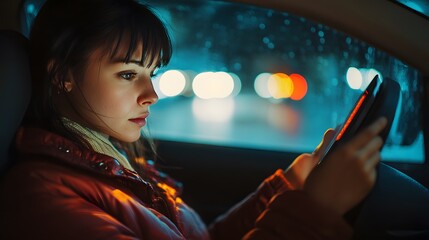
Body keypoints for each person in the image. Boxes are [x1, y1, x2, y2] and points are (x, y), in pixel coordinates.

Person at [0, 0, 387, 239]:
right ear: (62, 75)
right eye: (128, 74)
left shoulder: (114, 165)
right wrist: (315, 212)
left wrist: (292, 184)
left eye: (152, 74)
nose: (152, 94)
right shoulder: (43, 195)